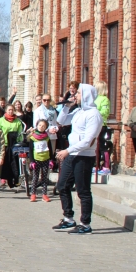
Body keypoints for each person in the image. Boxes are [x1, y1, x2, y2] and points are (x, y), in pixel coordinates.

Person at [53, 84, 104, 234]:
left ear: (87, 95)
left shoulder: (94, 114)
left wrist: (67, 151)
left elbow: (88, 141)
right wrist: (67, 107)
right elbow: (61, 122)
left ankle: (85, 223)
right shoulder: (79, 111)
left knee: (83, 190)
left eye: (79, 93)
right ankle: (69, 218)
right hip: (72, 154)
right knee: (62, 185)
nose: (75, 96)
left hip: (83, 156)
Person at [0, 104, 24, 188]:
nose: (11, 111)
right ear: (6, 111)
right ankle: (5, 178)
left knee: (14, 162)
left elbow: (20, 133)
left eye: (12, 110)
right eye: (9, 110)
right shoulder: (1, 120)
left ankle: (15, 179)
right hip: (4, 143)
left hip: (14, 143)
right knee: (6, 162)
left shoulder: (18, 121)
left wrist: (20, 141)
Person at [28, 119, 52, 203]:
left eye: (43, 126)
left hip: (45, 159)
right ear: (37, 126)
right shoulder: (33, 137)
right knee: (35, 177)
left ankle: (44, 194)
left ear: (46, 128)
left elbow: (50, 149)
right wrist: (32, 161)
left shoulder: (47, 138)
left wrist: (51, 160)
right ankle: (33, 194)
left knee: (44, 178)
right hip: (36, 160)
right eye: (40, 125)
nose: (41, 127)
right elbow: (30, 150)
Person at [94, 81, 112, 174]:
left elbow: (105, 112)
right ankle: (96, 165)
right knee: (95, 146)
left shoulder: (104, 99)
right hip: (94, 125)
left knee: (102, 146)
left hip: (102, 124)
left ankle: (106, 166)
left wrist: (95, 113)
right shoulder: (95, 99)